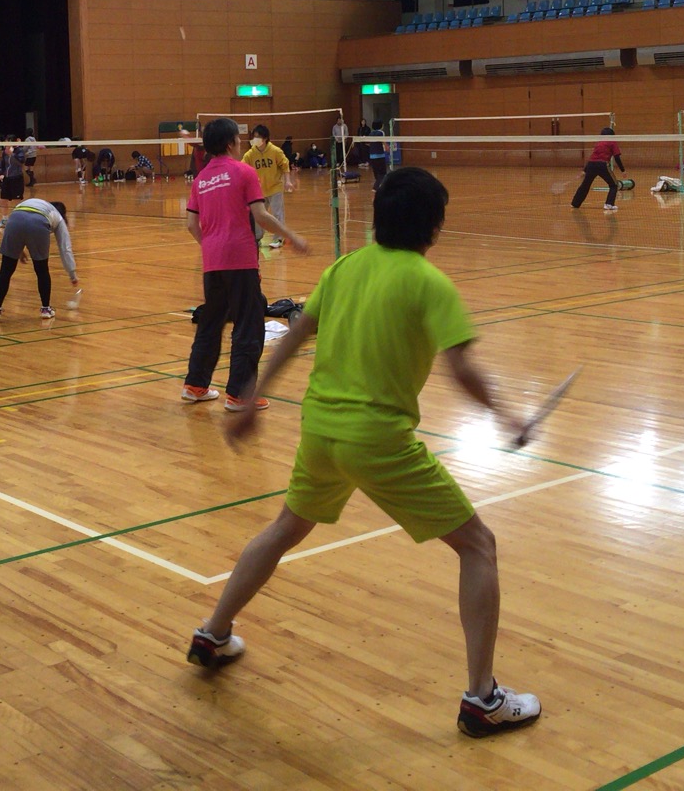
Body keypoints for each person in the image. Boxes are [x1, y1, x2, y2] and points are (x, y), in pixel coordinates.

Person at [184, 167, 542, 740]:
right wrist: (508, 416)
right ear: (435, 228)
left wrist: (252, 401)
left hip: (321, 431)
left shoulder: (344, 268)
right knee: (479, 546)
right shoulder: (430, 284)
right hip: (378, 441)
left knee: (283, 529)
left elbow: (298, 334)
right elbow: (463, 368)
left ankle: (213, 632)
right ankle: (483, 699)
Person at [182, 116, 308, 411]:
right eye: (239, 140)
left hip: (213, 262)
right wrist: (292, 237)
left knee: (211, 324)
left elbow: (191, 224)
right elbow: (262, 216)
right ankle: (239, 394)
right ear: (230, 143)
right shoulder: (243, 172)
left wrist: (212, 246)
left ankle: (195, 385)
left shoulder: (200, 180)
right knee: (249, 324)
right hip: (240, 259)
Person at [0, 198, 78, 320]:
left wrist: (18, 250)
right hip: (38, 224)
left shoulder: (33, 203)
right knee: (42, 270)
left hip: (14, 220)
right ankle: (46, 309)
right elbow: (65, 248)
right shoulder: (57, 216)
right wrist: (72, 274)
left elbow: (18, 223)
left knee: (6, 270)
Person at [245, 124, 291, 249]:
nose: (254, 140)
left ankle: (278, 239)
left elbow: (285, 165)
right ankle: (257, 237)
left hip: (275, 187)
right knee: (258, 215)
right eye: (253, 137)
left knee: (277, 214)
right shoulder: (250, 154)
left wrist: (287, 181)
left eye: (257, 137)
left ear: (264, 139)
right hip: (259, 190)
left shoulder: (275, 151)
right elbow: (242, 168)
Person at [571, 126, 625, 212]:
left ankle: (575, 203)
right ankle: (609, 204)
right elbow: (617, 157)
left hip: (591, 165)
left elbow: (592, 157)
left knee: (585, 185)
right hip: (602, 165)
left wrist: (585, 170)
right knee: (614, 185)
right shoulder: (612, 142)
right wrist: (623, 170)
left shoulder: (599, 143)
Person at [0, 143, 25, 228]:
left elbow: (20, 163)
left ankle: (19, 220)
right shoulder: (4, 152)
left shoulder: (19, 151)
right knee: (3, 199)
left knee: (17, 200)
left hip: (16, 179)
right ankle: (4, 220)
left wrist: (12, 154)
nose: (6, 146)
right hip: (7, 179)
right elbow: (3, 166)